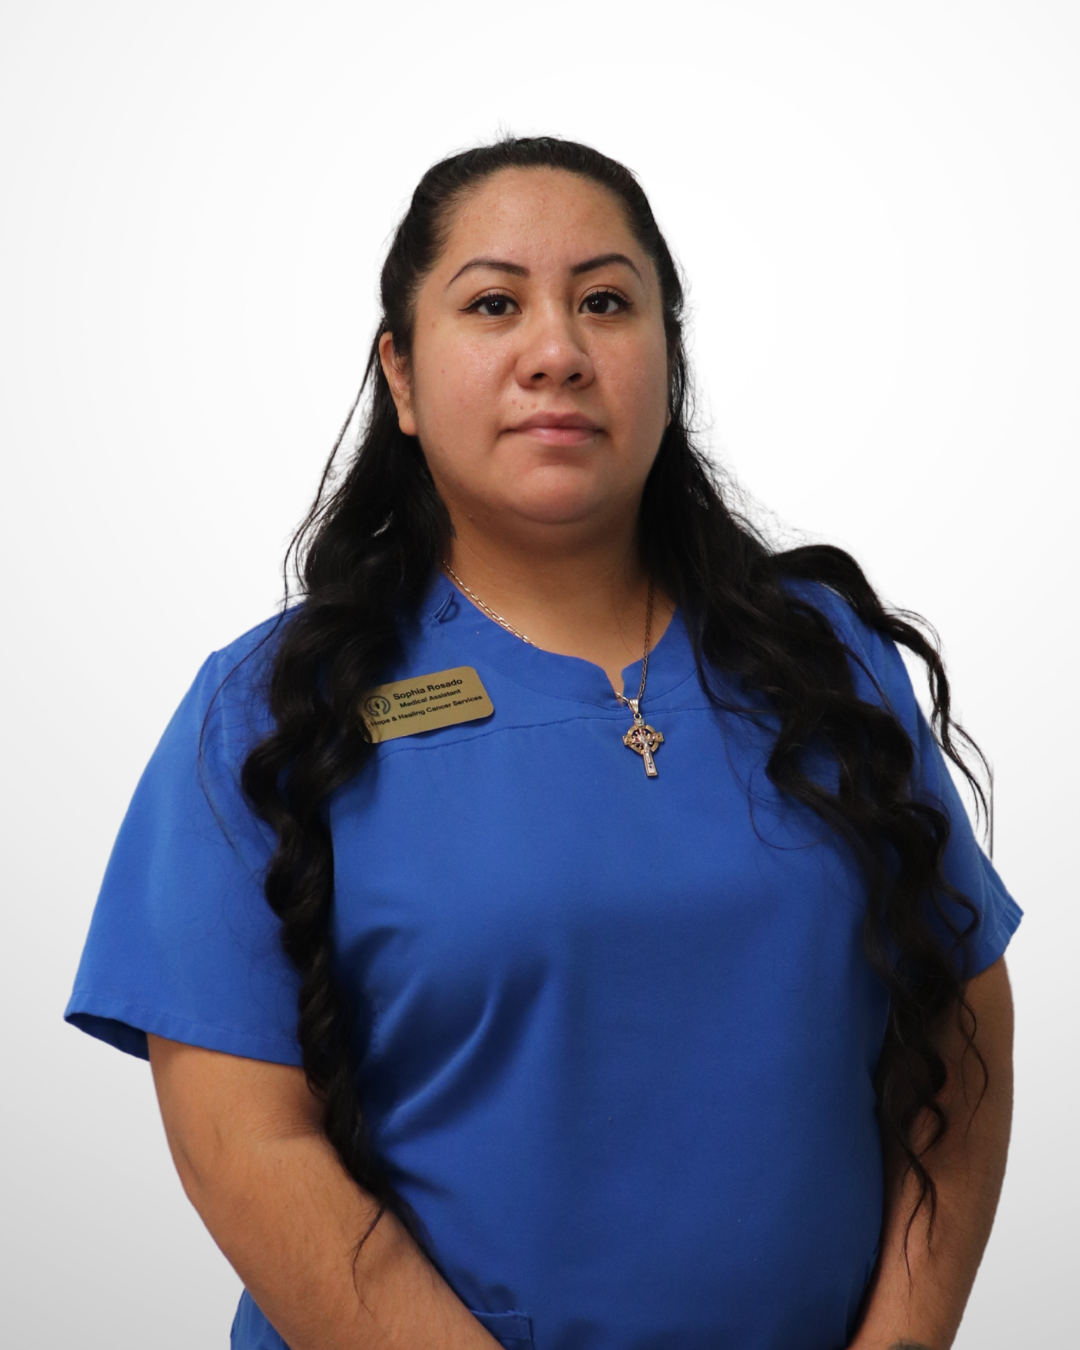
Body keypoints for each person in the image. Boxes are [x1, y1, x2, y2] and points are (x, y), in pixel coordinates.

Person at [65, 137, 1020, 1350]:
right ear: (401, 379)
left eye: (607, 303)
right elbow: (242, 1139)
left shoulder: (824, 661)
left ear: (667, 362)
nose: (557, 352)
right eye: (495, 303)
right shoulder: (266, 710)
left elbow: (962, 1015)